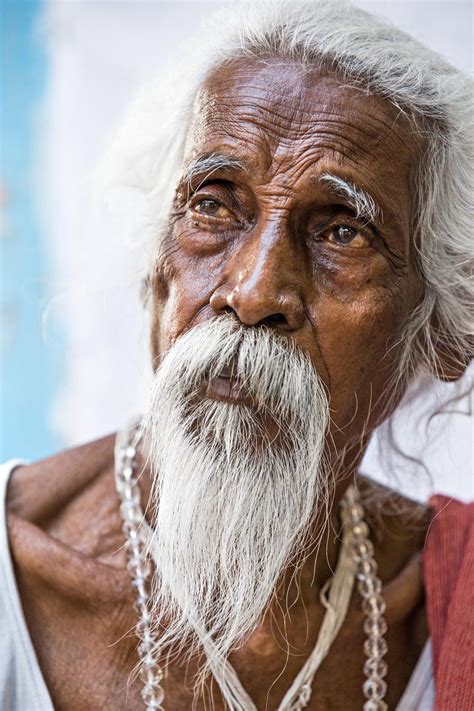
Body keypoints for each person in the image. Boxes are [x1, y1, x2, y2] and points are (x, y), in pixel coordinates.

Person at [1, 1, 473, 709]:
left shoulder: (450, 601)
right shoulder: (18, 575)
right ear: (155, 269)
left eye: (343, 232)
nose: (254, 292)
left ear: (442, 334)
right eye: (214, 205)